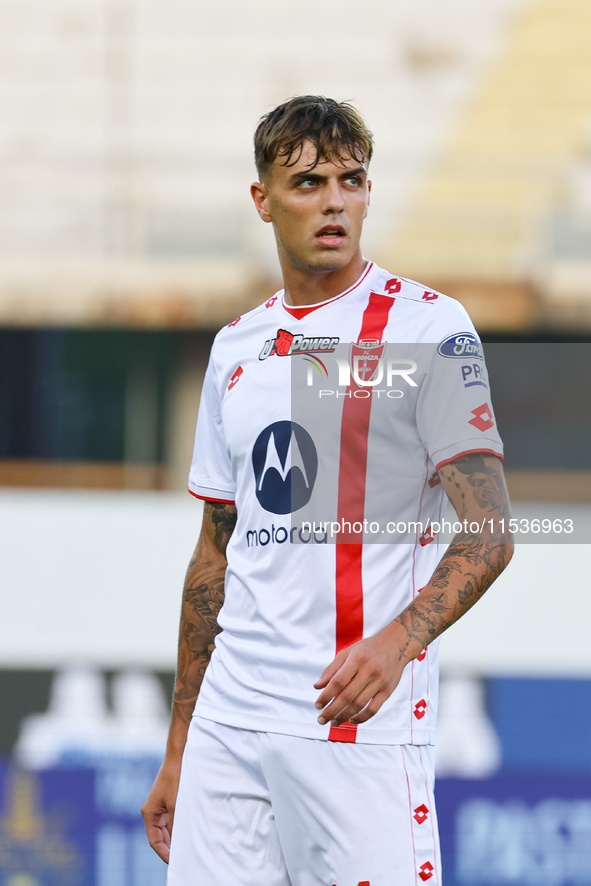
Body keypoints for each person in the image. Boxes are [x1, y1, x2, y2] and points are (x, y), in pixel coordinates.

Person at [142, 95, 514, 886]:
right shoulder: (235, 349)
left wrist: (397, 642)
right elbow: (215, 554)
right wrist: (181, 747)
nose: (335, 201)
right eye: (308, 182)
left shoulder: (427, 328)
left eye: (352, 180)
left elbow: (489, 531)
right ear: (262, 200)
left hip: (354, 727)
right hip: (230, 728)